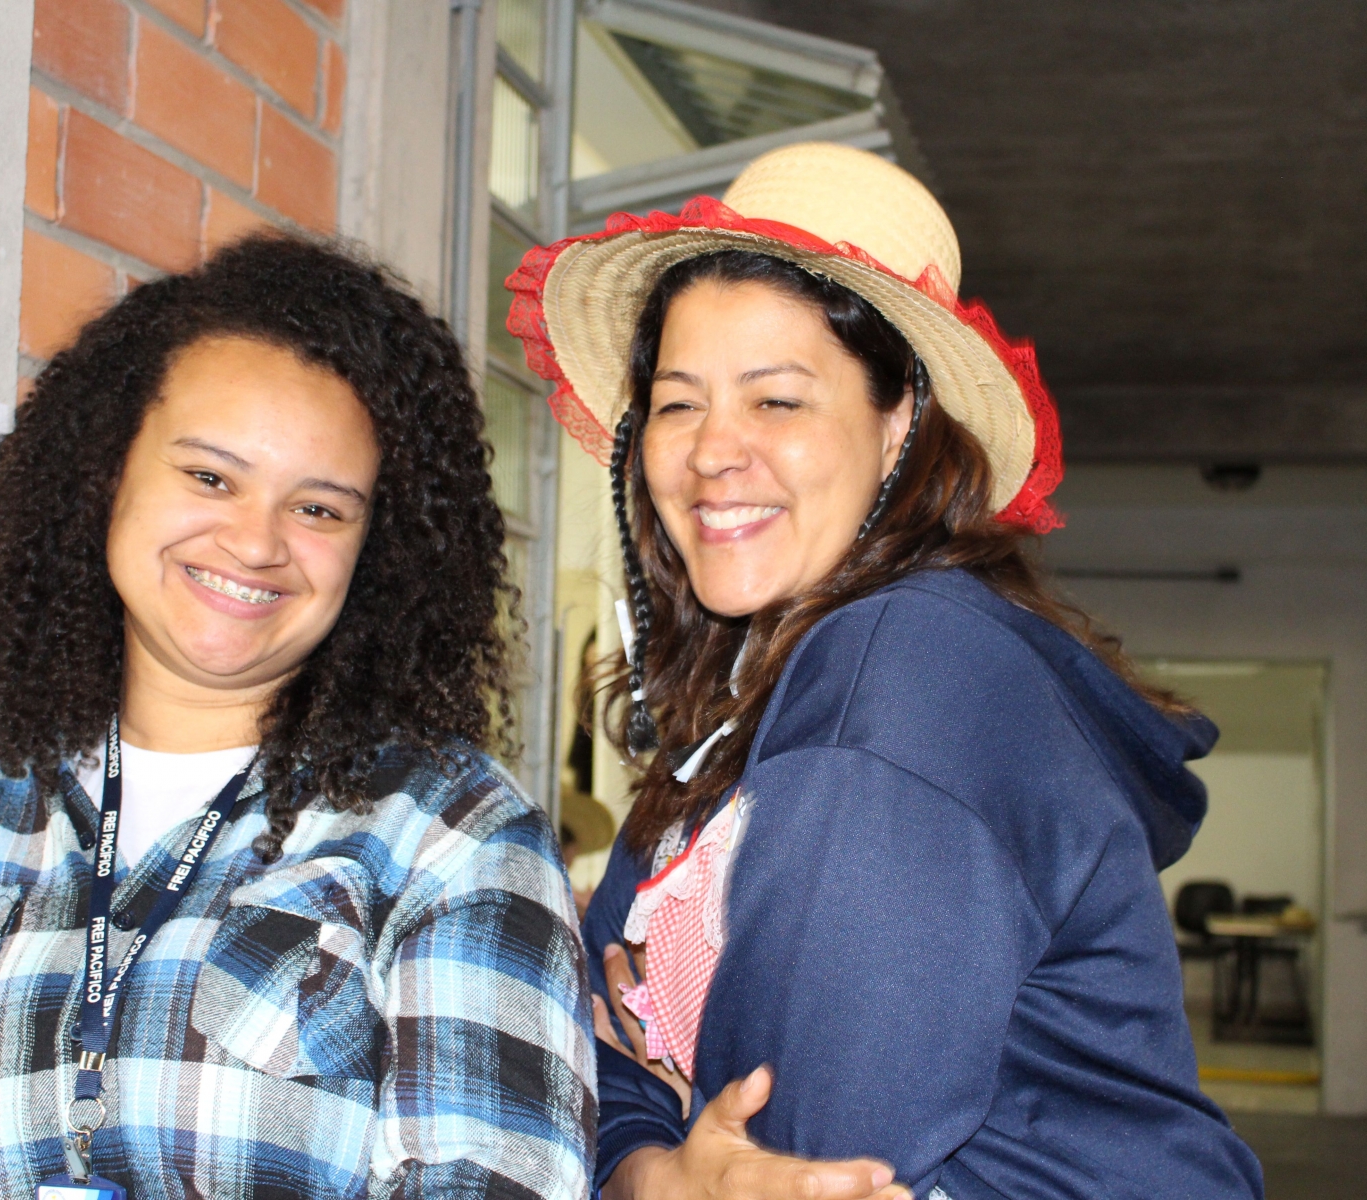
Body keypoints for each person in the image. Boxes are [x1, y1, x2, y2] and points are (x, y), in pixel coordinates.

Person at [507, 143, 1264, 1198]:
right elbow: (575, 1057)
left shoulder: (906, 668)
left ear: (899, 421)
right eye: (678, 403)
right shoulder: (737, 713)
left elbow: (804, 1163)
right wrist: (656, 1167)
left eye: (777, 401)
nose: (713, 450)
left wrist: (662, 1132)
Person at [0, 234, 594, 1199]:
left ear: (376, 551)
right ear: (106, 474)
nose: (255, 541)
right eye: (210, 477)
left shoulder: (451, 837)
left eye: (319, 510)